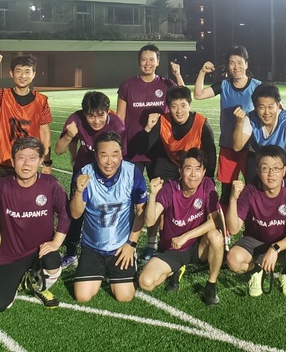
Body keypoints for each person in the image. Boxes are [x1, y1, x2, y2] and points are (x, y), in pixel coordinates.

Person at [0, 137, 69, 311]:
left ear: (40, 162)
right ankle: (22, 279)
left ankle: (38, 286)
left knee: (53, 261)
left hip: (41, 250)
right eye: (21, 158)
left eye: (32, 158)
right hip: (12, 255)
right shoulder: (3, 186)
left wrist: (56, 242)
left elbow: (65, 213)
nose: (26, 164)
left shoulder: (50, 184)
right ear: (12, 161)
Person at [116, 43, 183, 260]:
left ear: (158, 61)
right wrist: (118, 147)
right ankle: (126, 241)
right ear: (139, 62)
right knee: (130, 198)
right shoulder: (127, 86)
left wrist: (177, 75)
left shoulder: (166, 84)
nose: (147, 63)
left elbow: (183, 98)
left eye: (151, 59)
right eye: (144, 59)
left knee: (158, 198)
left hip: (159, 151)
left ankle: (153, 244)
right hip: (133, 151)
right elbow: (119, 119)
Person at [138, 149, 224, 306]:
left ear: (204, 172)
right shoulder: (170, 188)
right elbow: (150, 222)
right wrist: (153, 195)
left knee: (216, 237)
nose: (193, 174)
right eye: (188, 168)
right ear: (180, 171)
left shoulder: (207, 185)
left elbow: (215, 221)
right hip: (172, 249)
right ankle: (175, 269)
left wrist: (186, 236)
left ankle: (211, 286)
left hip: (197, 246)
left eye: (198, 169)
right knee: (146, 282)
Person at [70, 132, 147, 303]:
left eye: (115, 154)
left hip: (121, 247)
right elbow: (75, 214)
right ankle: (100, 271)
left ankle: (122, 267)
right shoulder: (86, 173)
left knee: (124, 297)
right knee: (82, 296)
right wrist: (79, 191)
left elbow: (141, 211)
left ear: (121, 155)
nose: (109, 161)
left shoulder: (132, 172)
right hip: (92, 247)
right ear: (95, 155)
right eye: (104, 155)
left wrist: (131, 244)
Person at [226, 146, 286, 299]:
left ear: (284, 171)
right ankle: (256, 271)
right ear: (258, 170)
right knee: (233, 260)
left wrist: (275, 248)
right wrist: (232, 199)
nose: (271, 174)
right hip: (255, 241)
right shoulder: (250, 191)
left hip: (283, 243)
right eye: (265, 168)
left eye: (276, 168)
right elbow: (233, 229)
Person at [54, 91, 126, 268]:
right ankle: (71, 252)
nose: (96, 121)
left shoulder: (116, 125)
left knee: (107, 212)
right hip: (83, 172)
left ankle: (113, 249)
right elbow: (58, 150)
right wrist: (69, 137)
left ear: (108, 111)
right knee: (75, 213)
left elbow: (120, 156)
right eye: (91, 116)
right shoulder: (76, 119)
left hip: (107, 173)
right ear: (84, 113)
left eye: (101, 115)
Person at [194, 46, 261, 207]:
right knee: (226, 190)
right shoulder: (223, 85)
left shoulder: (257, 87)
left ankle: (254, 219)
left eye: (240, 62)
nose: (236, 67)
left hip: (251, 148)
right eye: (232, 63)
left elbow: (274, 108)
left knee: (254, 188)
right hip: (228, 146)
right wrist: (202, 72)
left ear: (246, 64)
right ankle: (225, 222)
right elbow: (198, 95)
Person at [0, 45, 53, 174]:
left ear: (34, 74)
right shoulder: (2, 95)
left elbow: (45, 133)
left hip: (29, 162)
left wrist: (47, 163)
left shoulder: (41, 101)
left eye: (27, 72)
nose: (23, 75)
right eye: (18, 71)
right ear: (11, 73)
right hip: (4, 161)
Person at [231, 83, 286, 190]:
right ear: (255, 107)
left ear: (278, 105)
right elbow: (237, 147)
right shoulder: (250, 118)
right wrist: (239, 123)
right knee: (252, 190)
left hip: (284, 159)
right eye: (261, 107)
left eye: (271, 107)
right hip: (258, 158)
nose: (266, 112)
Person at [141, 86, 217, 181]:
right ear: (169, 107)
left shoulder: (201, 123)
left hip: (193, 165)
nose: (179, 111)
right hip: (171, 163)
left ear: (189, 105)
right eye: (174, 106)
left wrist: (209, 178)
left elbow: (211, 153)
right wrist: (148, 128)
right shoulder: (162, 121)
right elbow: (142, 149)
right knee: (159, 174)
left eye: (183, 105)